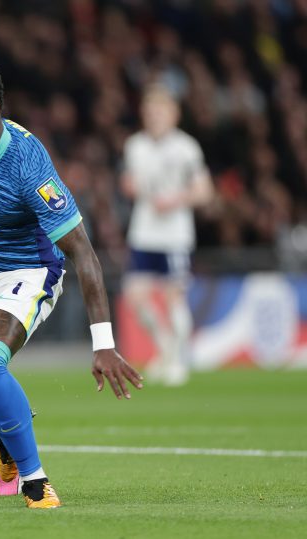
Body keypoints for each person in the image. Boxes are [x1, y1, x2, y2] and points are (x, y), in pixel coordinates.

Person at [0, 53, 143, 509]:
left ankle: (35, 482)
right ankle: (6, 427)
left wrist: (102, 343)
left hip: (25, 270)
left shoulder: (28, 164)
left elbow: (84, 253)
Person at [121, 85, 213, 386]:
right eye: (150, 112)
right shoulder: (135, 146)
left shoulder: (186, 147)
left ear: (174, 115)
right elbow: (129, 182)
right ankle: (164, 350)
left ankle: (179, 360)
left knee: (174, 296)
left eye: (161, 112)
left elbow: (204, 190)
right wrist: (131, 187)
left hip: (174, 234)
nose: (155, 117)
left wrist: (175, 199)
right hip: (143, 232)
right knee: (136, 297)